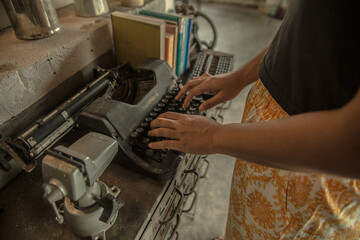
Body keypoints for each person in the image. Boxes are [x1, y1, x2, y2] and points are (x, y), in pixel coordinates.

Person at [149, 0, 360, 239]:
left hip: (309, 170)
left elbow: (352, 145)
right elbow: (306, 29)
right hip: (269, 144)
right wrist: (239, 78)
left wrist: (214, 136)